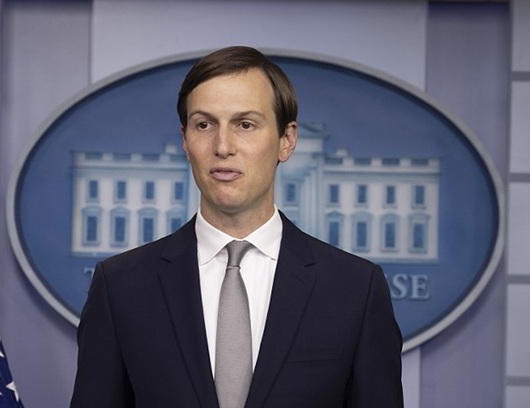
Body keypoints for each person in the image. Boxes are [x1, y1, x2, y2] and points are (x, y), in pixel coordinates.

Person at [70, 46, 403, 407]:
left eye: (245, 125)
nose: (223, 146)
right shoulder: (120, 286)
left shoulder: (356, 289)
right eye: (204, 125)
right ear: (185, 141)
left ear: (287, 140)